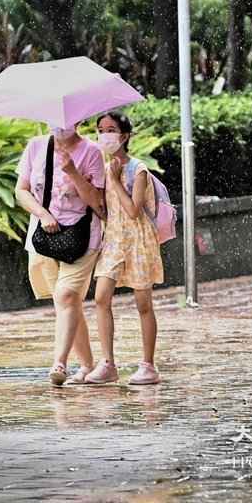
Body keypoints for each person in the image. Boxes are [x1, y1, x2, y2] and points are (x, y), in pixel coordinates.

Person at [16, 123, 106, 387]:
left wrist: (72, 172)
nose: (58, 124)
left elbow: (97, 202)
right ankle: (88, 365)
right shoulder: (36, 146)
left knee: (66, 296)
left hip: (82, 236)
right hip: (45, 237)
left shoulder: (91, 152)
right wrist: (43, 215)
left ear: (77, 121)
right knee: (68, 304)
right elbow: (21, 190)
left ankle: (60, 363)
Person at [87, 111, 164, 385]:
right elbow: (106, 209)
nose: (105, 134)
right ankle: (107, 363)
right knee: (101, 297)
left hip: (138, 240)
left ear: (125, 135)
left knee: (143, 303)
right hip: (113, 240)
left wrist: (117, 180)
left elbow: (133, 211)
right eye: (100, 129)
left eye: (110, 129)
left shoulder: (137, 169)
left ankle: (148, 365)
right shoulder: (103, 168)